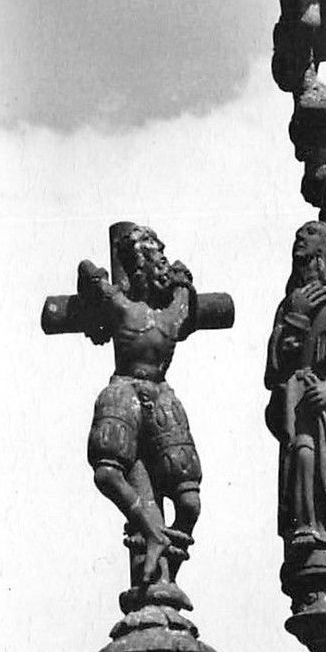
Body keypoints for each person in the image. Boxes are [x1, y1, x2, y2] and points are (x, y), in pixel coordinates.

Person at [82, 226, 204, 586]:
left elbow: (184, 287)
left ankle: (167, 571)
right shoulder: (120, 305)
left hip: (161, 396)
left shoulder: (174, 311)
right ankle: (151, 534)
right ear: (138, 268)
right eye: (154, 259)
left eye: (162, 259)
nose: (161, 266)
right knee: (107, 471)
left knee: (189, 502)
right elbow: (87, 271)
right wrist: (105, 282)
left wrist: (180, 276)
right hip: (124, 390)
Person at [264, 221, 326, 569]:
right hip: (296, 397)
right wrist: (296, 317)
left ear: (323, 250)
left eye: (309, 234)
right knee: (301, 456)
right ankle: (305, 526)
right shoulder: (289, 303)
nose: (299, 239)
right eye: (298, 235)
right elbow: (273, 368)